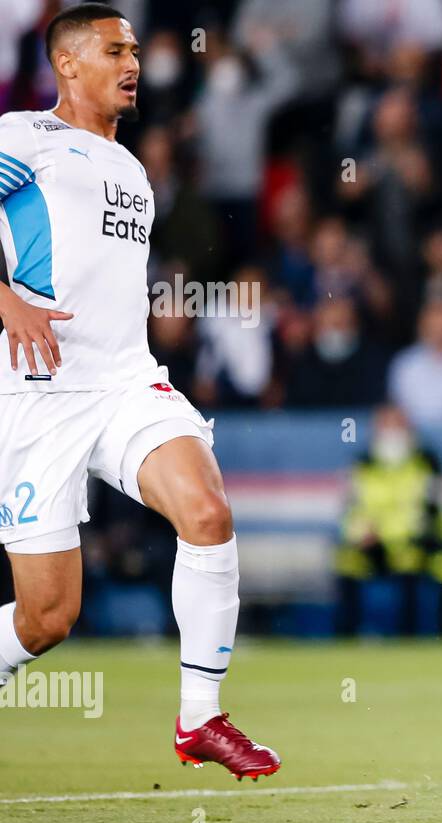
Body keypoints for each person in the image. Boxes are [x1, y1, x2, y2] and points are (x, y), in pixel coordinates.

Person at [0, 5, 278, 780]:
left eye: (134, 49)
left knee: (208, 511)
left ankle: (200, 719)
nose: (133, 63)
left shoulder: (132, 170)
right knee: (48, 618)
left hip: (126, 381)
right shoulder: (22, 138)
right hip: (38, 394)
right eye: (113, 50)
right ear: (66, 63)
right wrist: (6, 298)